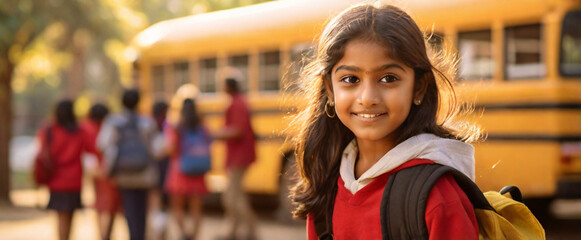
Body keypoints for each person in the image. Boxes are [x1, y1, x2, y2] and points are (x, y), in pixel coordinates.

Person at [288, 4, 483, 240]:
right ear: (330, 89)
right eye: (350, 79)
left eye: (388, 78)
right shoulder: (327, 187)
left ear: (418, 87)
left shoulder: (438, 197)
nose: (368, 98)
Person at [97, 89, 158, 240]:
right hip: (144, 172)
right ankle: (140, 236)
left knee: (129, 208)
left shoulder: (114, 122)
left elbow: (102, 144)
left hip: (124, 173)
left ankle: (134, 235)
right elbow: (156, 148)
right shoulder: (147, 122)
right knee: (142, 209)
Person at [214, 78, 258, 240]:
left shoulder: (236, 104)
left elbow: (237, 130)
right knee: (234, 195)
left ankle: (250, 231)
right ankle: (233, 231)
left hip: (239, 156)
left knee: (233, 197)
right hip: (238, 155)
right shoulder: (239, 102)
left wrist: (216, 134)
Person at [37, 99, 88, 240]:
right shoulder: (80, 131)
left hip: (56, 180)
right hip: (74, 180)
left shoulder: (49, 130)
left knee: (61, 216)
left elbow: (42, 151)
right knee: (70, 215)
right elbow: (90, 148)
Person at [165, 98, 209, 240]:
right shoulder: (202, 127)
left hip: (179, 172)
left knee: (177, 208)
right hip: (198, 171)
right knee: (196, 210)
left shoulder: (177, 127)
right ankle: (194, 236)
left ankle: (184, 234)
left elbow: (171, 148)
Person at [81, 103, 120, 240]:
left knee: (100, 205)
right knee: (112, 204)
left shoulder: (86, 128)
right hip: (111, 171)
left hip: (96, 172)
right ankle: (107, 233)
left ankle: (102, 234)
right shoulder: (112, 126)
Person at [149, 101, 170, 239]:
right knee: (161, 201)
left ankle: (157, 231)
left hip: (153, 166)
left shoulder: (148, 125)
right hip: (164, 166)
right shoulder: (167, 126)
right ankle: (160, 231)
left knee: (155, 200)